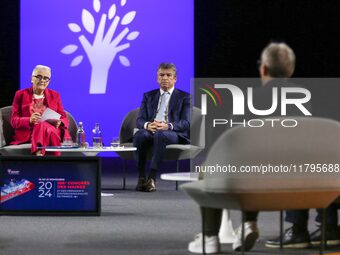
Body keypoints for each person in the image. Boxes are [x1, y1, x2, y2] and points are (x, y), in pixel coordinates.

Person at [188, 42, 339, 254]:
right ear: (291, 70)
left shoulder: (248, 101)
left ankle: (212, 235)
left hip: (254, 182)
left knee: (212, 166)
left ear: (264, 68)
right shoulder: (307, 101)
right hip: (302, 181)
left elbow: (228, 145)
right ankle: (325, 228)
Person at [133, 62, 190, 192]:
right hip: (152, 130)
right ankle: (141, 177)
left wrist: (168, 125)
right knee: (139, 135)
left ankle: (152, 178)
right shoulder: (148, 96)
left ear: (175, 79)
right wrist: (148, 125)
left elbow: (186, 123)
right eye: (161, 75)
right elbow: (140, 120)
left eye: (168, 75)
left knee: (160, 134)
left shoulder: (185, 97)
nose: (165, 78)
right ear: (157, 78)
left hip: (172, 132)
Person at [10, 65, 70, 156]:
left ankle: (39, 153)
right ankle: (57, 161)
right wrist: (29, 120)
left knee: (43, 125)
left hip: (52, 130)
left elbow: (64, 118)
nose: (42, 80)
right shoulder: (20, 95)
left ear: (49, 81)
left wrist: (59, 122)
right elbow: (14, 121)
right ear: (32, 79)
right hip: (30, 134)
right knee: (43, 126)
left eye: (46, 78)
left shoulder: (55, 95)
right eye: (39, 77)